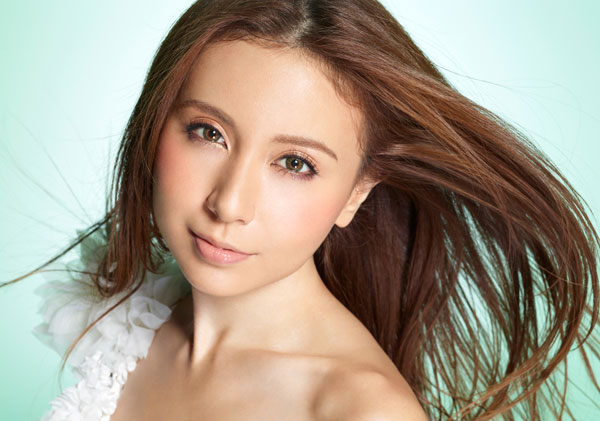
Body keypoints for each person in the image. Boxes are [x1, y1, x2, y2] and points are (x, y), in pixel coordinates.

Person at [2, 0, 599, 419]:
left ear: (357, 192)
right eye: (209, 132)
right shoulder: (127, 320)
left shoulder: (357, 411)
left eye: (295, 163)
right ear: (157, 121)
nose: (229, 204)